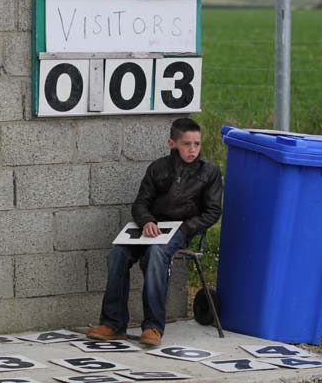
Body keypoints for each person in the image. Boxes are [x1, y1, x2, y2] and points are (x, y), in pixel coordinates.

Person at [86, 118, 223, 346]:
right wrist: (147, 220)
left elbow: (213, 211)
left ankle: (152, 327)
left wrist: (186, 227)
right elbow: (140, 203)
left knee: (156, 253)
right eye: (187, 144)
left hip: (181, 229)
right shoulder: (158, 168)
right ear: (172, 143)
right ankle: (113, 323)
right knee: (117, 254)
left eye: (197, 144)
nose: (193, 150)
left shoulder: (209, 172)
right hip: (149, 227)